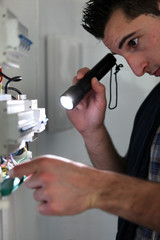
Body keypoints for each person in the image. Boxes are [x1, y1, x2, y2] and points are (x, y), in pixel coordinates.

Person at [8, 0, 160, 239]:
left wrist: (96, 189)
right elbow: (133, 184)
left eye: (134, 42)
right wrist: (92, 131)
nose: (137, 70)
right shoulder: (155, 101)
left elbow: (122, 192)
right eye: (122, 55)